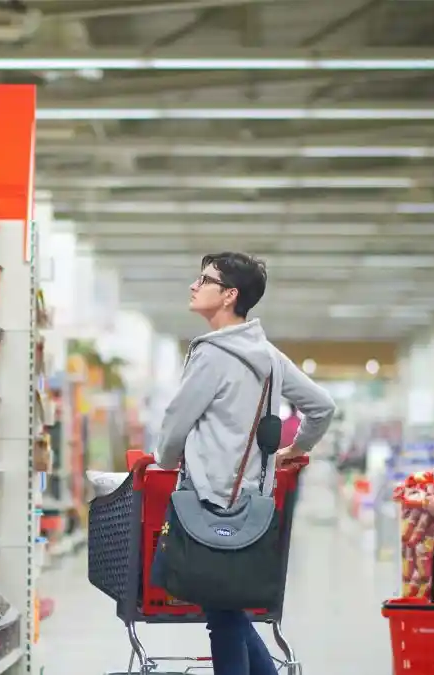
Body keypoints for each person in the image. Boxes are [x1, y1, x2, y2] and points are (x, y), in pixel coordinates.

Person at [154, 252, 336, 675]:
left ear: (229, 295)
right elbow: (322, 407)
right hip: (253, 505)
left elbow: (176, 422)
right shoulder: (268, 355)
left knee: (223, 616)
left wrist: (164, 462)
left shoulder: (211, 354)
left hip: (207, 502)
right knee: (228, 611)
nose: (193, 285)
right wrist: (294, 449)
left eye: (204, 280)